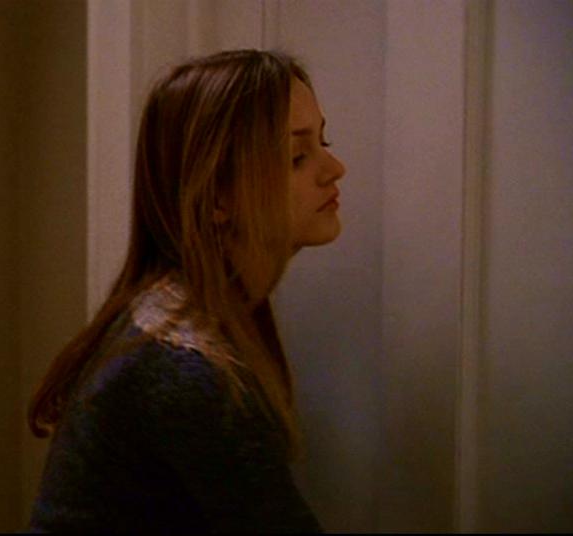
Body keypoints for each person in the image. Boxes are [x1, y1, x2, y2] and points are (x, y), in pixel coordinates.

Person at [27, 49, 346, 533]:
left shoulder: (180, 319)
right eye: (296, 158)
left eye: (323, 141)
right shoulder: (184, 369)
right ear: (217, 196)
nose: (335, 168)